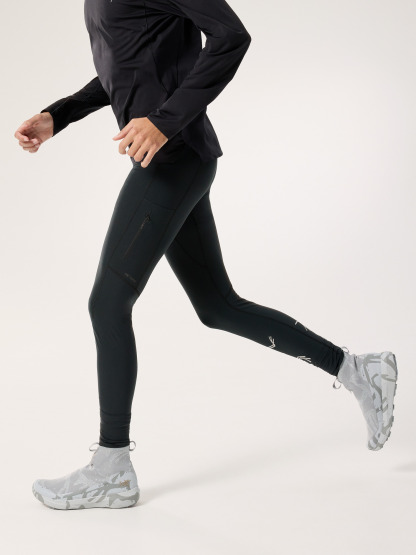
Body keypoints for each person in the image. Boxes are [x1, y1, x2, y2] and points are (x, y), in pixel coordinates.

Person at [15, 0, 398, 511]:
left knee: (107, 304)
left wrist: (165, 121)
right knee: (217, 306)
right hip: (175, 160)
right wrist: (58, 115)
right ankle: (358, 370)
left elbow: (230, 36)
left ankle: (111, 468)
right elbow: (130, 63)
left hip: (172, 162)